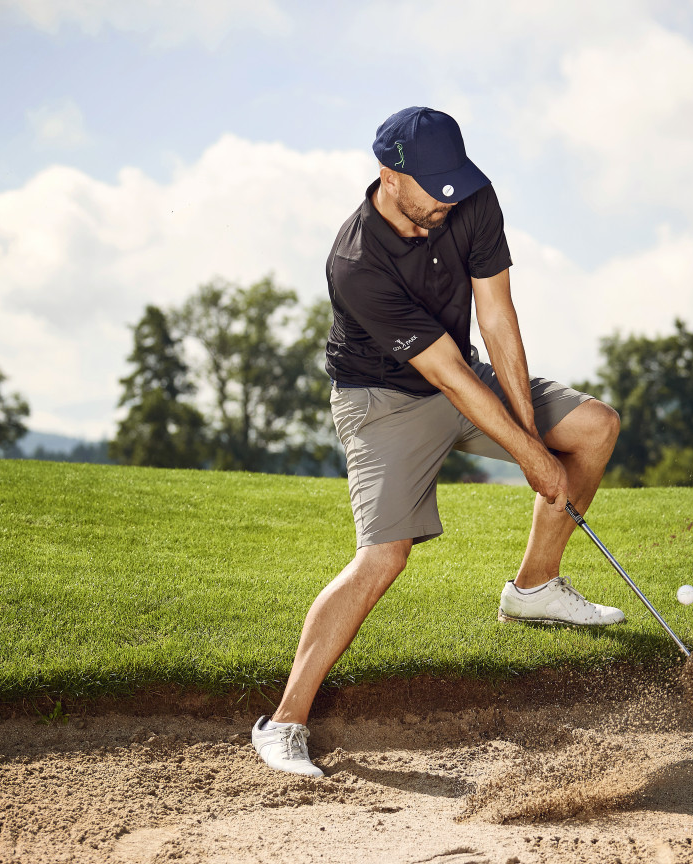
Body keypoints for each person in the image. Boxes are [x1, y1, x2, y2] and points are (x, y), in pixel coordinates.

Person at [252, 106, 624, 777]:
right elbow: (445, 376)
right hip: (384, 398)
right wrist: (531, 455)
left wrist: (536, 435)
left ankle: (535, 587)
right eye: (433, 190)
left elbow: (497, 316)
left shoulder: (469, 200)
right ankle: (283, 723)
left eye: (455, 187)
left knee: (595, 426)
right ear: (389, 174)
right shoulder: (355, 260)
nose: (446, 204)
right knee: (383, 557)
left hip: (462, 370)